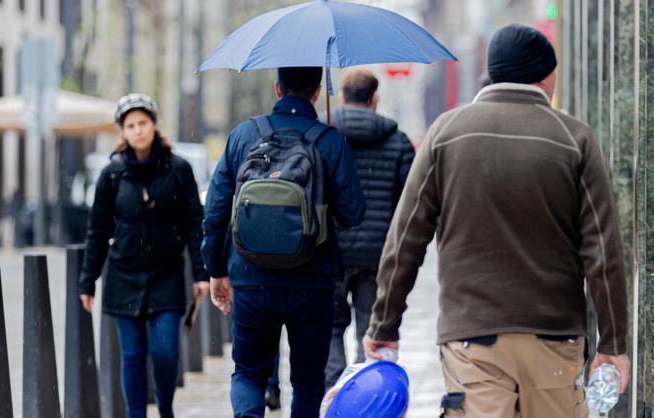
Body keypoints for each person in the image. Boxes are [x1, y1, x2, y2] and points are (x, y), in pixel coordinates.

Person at [363, 24, 630, 418]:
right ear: (546, 76)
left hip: (472, 337)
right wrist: (613, 343)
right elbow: (602, 252)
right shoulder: (575, 139)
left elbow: (405, 240)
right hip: (554, 336)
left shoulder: (445, 133)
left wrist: (384, 325)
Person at [202, 67, 365, 418]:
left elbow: (215, 210)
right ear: (318, 93)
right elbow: (353, 214)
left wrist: (216, 269)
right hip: (312, 279)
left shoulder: (245, 134)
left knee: (248, 372)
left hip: (249, 275)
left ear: (277, 88)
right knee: (308, 380)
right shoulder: (329, 140)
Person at [79, 93, 209, 418]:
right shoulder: (112, 174)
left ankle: (165, 407)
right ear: (123, 131)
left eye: (143, 123)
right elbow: (97, 229)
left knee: (164, 351)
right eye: (131, 125)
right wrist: (87, 281)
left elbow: (194, 223)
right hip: (124, 274)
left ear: (154, 125)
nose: (138, 130)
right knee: (133, 355)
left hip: (166, 273)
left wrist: (202, 274)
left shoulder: (179, 169)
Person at [324, 68, 414, 389]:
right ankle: (364, 397)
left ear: (342, 98)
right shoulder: (399, 142)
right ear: (375, 99)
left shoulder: (323, 137)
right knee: (370, 330)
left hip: (330, 252)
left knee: (331, 327)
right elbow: (411, 202)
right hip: (378, 255)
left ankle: (334, 395)